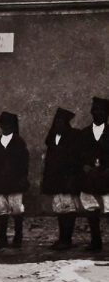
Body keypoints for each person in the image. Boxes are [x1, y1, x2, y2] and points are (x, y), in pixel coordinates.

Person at [0, 112, 29, 249]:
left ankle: (18, 237)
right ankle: (2, 238)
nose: (5, 127)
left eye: (8, 124)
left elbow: (24, 162)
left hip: (15, 181)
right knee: (1, 209)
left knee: (16, 209)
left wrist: (22, 178)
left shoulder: (19, 142)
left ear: (12, 126)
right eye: (3, 124)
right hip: (0, 181)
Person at [42, 108, 81, 250]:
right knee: (60, 209)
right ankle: (62, 238)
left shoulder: (73, 137)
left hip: (68, 178)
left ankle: (67, 239)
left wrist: (72, 177)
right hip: (56, 179)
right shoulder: (52, 138)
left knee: (69, 209)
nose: (58, 125)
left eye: (61, 122)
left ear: (65, 124)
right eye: (56, 122)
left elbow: (75, 159)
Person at [77, 97, 109, 252]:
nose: (98, 113)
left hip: (107, 176)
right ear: (91, 112)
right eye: (95, 110)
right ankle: (95, 242)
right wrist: (85, 166)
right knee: (91, 208)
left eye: (102, 111)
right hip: (89, 177)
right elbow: (78, 154)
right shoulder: (84, 134)